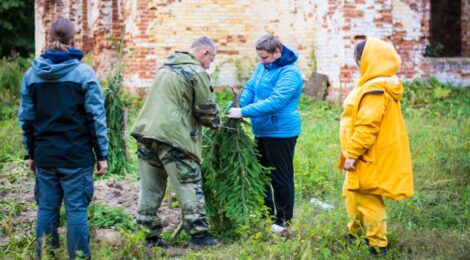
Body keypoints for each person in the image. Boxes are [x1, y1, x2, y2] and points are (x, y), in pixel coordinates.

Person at [18, 17, 108, 259]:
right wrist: (102, 155)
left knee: (46, 209)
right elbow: (95, 117)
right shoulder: (83, 73)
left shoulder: (32, 75)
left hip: (46, 156)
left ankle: (46, 255)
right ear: (73, 39)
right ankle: (78, 257)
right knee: (76, 210)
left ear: (49, 38)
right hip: (76, 156)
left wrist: (31, 153)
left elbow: (26, 118)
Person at [131, 36, 221, 247]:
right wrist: (218, 123)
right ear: (204, 53)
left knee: (150, 188)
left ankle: (147, 236)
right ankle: (199, 236)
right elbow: (205, 110)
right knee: (188, 184)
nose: (210, 64)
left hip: (146, 133)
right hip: (173, 138)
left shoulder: (165, 68)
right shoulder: (196, 72)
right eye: (211, 59)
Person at [338, 37, 414, 255]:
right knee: (352, 194)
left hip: (365, 154)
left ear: (369, 59)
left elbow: (367, 126)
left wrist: (352, 153)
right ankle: (355, 235)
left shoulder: (376, 89)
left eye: (358, 59)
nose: (356, 63)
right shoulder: (375, 83)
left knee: (367, 199)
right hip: (359, 152)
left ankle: (377, 245)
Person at [227, 35, 303, 234]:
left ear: (277, 53)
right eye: (259, 57)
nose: (261, 61)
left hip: (281, 132)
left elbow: (276, 101)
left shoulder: (290, 73)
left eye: (265, 58)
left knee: (280, 176)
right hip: (262, 129)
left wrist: (243, 112)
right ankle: (266, 214)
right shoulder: (263, 68)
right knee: (261, 174)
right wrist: (236, 105)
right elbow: (251, 89)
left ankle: (283, 220)